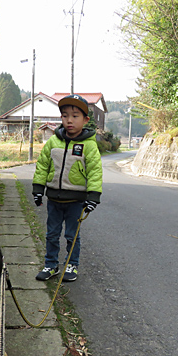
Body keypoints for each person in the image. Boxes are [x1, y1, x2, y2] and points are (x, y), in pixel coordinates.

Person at [32, 94, 103, 282]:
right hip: (54, 200)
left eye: (75, 116)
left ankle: (72, 265)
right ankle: (51, 264)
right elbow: (42, 166)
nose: (69, 120)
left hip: (76, 201)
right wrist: (38, 189)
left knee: (72, 236)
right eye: (64, 115)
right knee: (52, 234)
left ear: (86, 119)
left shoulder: (89, 145)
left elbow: (95, 171)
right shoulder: (54, 142)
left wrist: (93, 196)